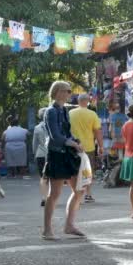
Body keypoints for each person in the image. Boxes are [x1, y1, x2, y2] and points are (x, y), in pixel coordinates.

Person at [42, 81, 86, 240]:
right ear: (58, 92)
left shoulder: (65, 110)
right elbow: (55, 136)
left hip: (67, 153)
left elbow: (66, 133)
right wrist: (72, 142)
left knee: (79, 190)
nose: (69, 93)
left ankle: (69, 225)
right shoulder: (51, 112)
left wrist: (76, 141)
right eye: (67, 91)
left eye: (69, 91)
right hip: (57, 154)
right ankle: (47, 229)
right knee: (54, 193)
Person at [69, 93, 103, 203]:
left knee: (74, 171)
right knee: (87, 171)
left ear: (78, 102)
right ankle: (88, 194)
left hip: (73, 147)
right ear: (87, 101)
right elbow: (97, 131)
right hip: (88, 147)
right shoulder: (92, 114)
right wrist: (101, 146)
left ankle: (75, 194)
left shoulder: (70, 113)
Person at [33, 107, 49, 207]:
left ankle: (44, 197)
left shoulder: (37, 128)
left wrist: (34, 154)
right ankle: (51, 197)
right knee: (53, 178)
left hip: (40, 154)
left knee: (43, 177)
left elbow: (34, 144)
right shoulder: (53, 126)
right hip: (52, 154)